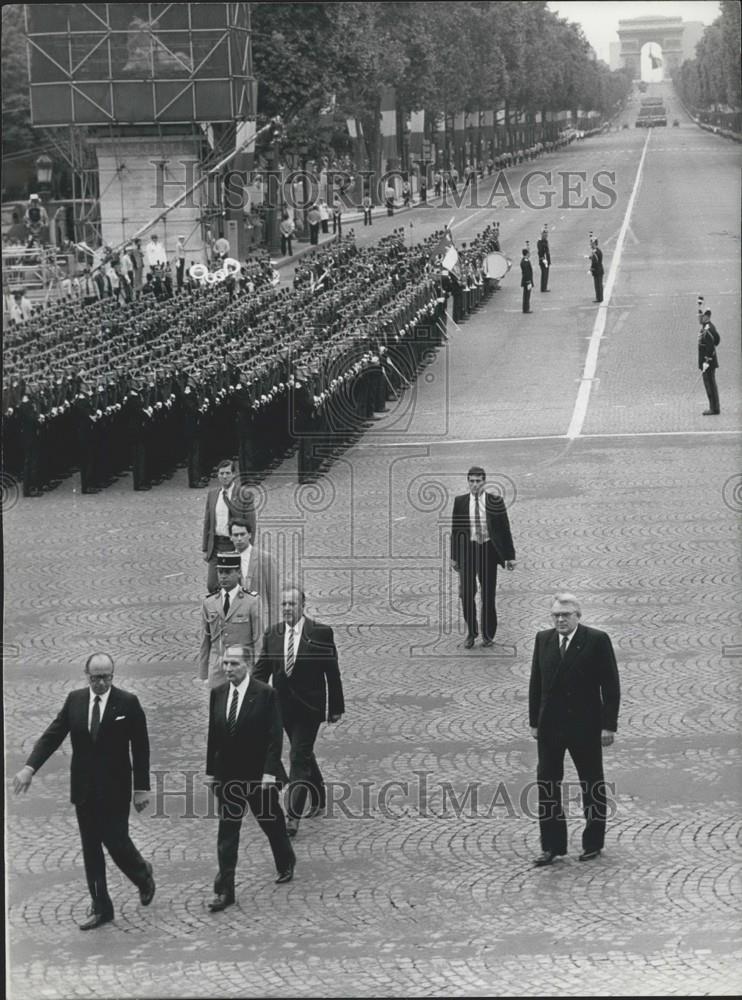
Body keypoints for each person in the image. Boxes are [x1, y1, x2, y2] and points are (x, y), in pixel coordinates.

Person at [13, 653, 155, 930]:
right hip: (84, 790)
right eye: (96, 677)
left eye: (106, 677)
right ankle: (102, 906)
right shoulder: (75, 701)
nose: (101, 683)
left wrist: (141, 789)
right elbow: (53, 735)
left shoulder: (128, 703)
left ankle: (142, 873)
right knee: (91, 848)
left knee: (116, 841)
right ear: (86, 675)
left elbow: (141, 748)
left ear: (113, 675)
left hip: (115, 788)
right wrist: (30, 767)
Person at [529, 593, 620, 866]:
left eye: (566, 615)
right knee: (547, 786)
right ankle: (552, 846)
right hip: (550, 728)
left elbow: (611, 686)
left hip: (586, 727)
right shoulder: (542, 640)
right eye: (556, 615)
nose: (560, 620)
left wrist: (608, 726)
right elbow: (536, 683)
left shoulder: (596, 640)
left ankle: (593, 843)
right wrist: (535, 721)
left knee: (592, 784)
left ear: (577, 616)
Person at [205, 644, 296, 911]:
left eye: (234, 664)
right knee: (227, 834)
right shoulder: (218, 693)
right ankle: (225, 890)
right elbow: (214, 736)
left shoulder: (265, 694)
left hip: (258, 775)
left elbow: (274, 737)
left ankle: (285, 860)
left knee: (272, 823)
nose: (228, 669)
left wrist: (269, 773)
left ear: (248, 664)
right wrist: (211, 772)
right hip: (228, 777)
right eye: (225, 664)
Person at [254, 586, 345, 839]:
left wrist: (336, 707)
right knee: (303, 753)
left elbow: (332, 673)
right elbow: (261, 672)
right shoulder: (272, 635)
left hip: (310, 708)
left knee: (297, 756)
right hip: (283, 708)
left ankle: (292, 816)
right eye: (283, 604)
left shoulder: (320, 633)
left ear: (302, 605)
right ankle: (319, 793)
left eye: (291, 604)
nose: (286, 609)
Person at [450, 466, 516, 648]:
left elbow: (504, 529)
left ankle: (488, 633)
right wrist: (454, 557)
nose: (475, 485)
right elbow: (455, 531)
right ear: (468, 482)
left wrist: (510, 556)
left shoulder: (496, 501)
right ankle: (471, 632)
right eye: (471, 481)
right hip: (468, 552)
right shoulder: (460, 502)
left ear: (484, 482)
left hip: (488, 550)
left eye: (478, 481)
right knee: (466, 594)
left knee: (488, 594)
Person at [199, 551, 261, 687]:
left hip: (243, 668)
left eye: (228, 572)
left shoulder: (251, 601)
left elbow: (258, 639)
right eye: (220, 572)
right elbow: (205, 640)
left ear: (238, 573)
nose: (223, 577)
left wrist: (258, 672)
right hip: (217, 669)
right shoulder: (209, 602)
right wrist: (204, 673)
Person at [202, 458, 256, 593]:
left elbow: (251, 524)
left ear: (233, 475)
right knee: (212, 585)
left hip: (234, 544)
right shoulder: (213, 495)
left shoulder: (244, 494)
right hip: (216, 545)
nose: (224, 476)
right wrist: (205, 548)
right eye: (221, 473)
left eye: (227, 473)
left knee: (235, 584)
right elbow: (208, 523)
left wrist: (248, 548)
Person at [229, 518, 279, 631]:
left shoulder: (266, 559)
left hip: (259, 622)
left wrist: (274, 629)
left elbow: (274, 597)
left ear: (250, 535)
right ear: (230, 537)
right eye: (235, 535)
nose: (239, 539)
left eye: (242, 534)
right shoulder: (227, 560)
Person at [697, 306, 721, 415]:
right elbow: (717, 339)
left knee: (710, 385)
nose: (699, 319)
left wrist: (706, 361)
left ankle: (714, 408)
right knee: (711, 384)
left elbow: (710, 346)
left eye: (701, 317)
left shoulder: (708, 329)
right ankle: (714, 407)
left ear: (706, 317)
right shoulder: (708, 327)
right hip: (708, 362)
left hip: (708, 363)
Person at [589, 236, 604, 303]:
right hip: (598, 270)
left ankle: (599, 298)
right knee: (598, 285)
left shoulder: (596, 252)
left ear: (594, 244)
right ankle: (599, 297)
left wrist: (591, 268)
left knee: (598, 286)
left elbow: (595, 262)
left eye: (591, 244)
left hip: (598, 271)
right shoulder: (596, 251)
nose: (590, 245)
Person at [537, 225, 551, 292]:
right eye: (545, 235)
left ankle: (544, 287)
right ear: (542, 235)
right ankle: (543, 288)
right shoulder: (540, 242)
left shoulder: (545, 241)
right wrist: (543, 260)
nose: (546, 236)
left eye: (546, 234)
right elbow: (540, 252)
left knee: (546, 274)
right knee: (544, 274)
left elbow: (547, 251)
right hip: (543, 260)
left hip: (547, 260)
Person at [520, 246, 533, 313]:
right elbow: (526, 273)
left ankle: (526, 308)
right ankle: (526, 309)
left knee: (527, 295)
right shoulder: (524, 262)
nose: (530, 254)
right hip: (526, 281)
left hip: (527, 281)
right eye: (529, 253)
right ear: (526, 254)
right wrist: (528, 281)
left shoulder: (525, 260)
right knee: (526, 296)